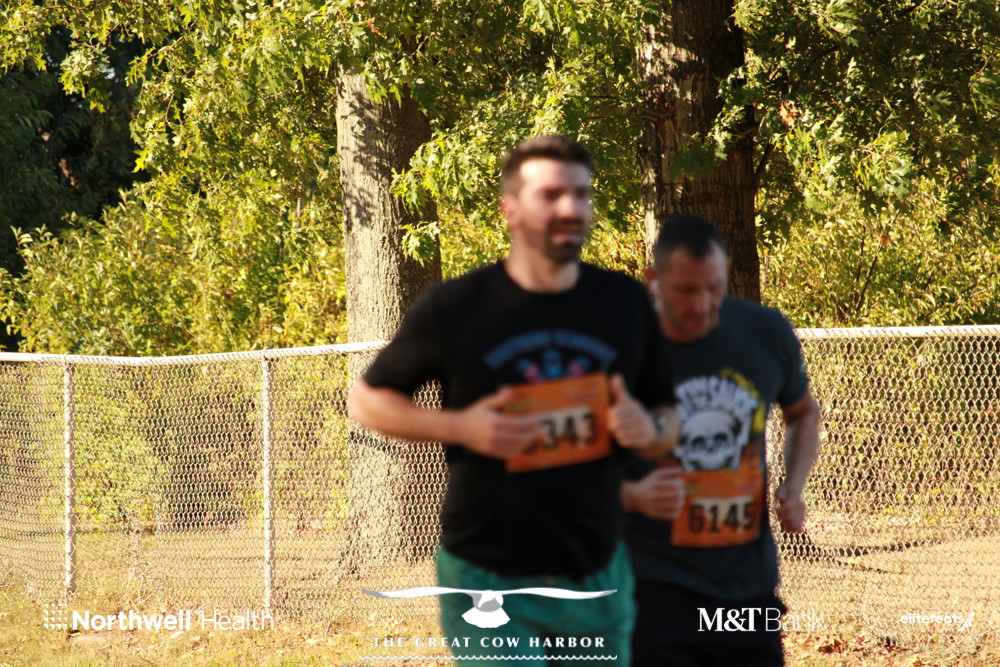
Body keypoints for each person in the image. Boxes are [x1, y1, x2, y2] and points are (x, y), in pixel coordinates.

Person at [348, 135, 680, 665]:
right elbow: (367, 400)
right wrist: (463, 428)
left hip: (596, 573)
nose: (570, 208)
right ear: (511, 209)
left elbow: (668, 416)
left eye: (581, 194)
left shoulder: (625, 304)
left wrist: (648, 427)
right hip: (487, 575)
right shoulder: (457, 306)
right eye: (551, 195)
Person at [623, 213, 820, 666]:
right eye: (686, 291)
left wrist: (793, 484)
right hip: (651, 588)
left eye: (714, 288)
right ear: (654, 281)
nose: (702, 304)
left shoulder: (764, 333)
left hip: (745, 588)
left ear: (726, 272)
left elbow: (803, 413)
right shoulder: (621, 348)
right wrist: (631, 494)